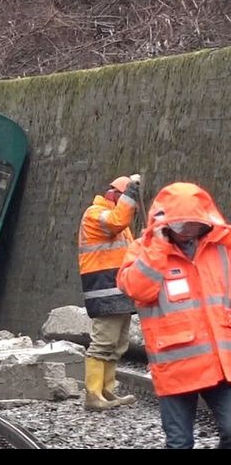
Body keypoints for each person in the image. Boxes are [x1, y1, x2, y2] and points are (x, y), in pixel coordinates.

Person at [118, 182, 231, 448]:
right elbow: (135, 288)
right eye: (182, 225)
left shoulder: (221, 247)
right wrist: (157, 247)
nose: (189, 231)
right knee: (180, 443)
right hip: (176, 368)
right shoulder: (142, 250)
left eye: (194, 224)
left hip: (220, 362)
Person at [77, 174, 142, 411]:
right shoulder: (95, 214)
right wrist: (132, 193)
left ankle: (107, 390)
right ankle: (93, 395)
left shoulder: (118, 222)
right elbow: (117, 221)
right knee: (103, 343)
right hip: (104, 290)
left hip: (119, 289)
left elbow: (130, 251)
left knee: (118, 344)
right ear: (116, 196)